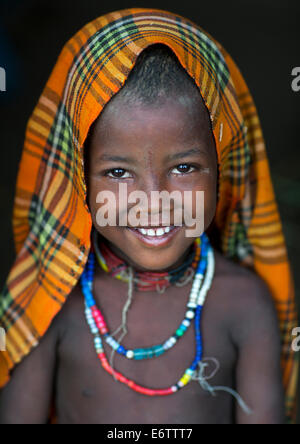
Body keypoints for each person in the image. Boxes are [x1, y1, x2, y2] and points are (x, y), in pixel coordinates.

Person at [0, 8, 298, 424]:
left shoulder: (244, 304)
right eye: (118, 172)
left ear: (223, 165)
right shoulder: (52, 305)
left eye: (184, 167)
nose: (153, 200)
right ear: (78, 177)